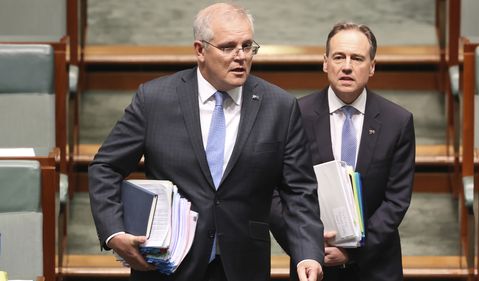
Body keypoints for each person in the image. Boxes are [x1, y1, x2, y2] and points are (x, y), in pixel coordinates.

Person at [88, 2, 324, 281]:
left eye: (247, 46)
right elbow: (105, 167)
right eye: (228, 47)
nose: (241, 57)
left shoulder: (280, 107)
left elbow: (299, 191)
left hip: (242, 267)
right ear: (200, 50)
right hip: (167, 265)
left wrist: (308, 252)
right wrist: (114, 232)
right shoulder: (155, 99)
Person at [270, 22, 415, 281]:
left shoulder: (398, 122)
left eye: (357, 58)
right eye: (339, 57)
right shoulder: (294, 115)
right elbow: (275, 192)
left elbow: (396, 201)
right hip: (313, 267)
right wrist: (309, 247)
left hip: (376, 266)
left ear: (372, 67)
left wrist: (353, 252)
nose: (346, 66)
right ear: (326, 63)